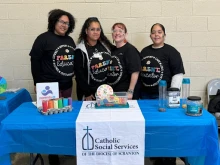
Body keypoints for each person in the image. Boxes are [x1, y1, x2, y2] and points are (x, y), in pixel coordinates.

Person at [29, 9, 76, 165]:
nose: (64, 25)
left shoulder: (70, 40)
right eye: (61, 22)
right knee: (51, 123)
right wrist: (37, 83)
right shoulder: (43, 39)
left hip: (67, 86)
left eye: (67, 23)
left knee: (65, 119)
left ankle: (63, 148)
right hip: (49, 89)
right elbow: (34, 62)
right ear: (54, 21)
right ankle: (52, 154)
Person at [140, 23, 186, 165]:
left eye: (159, 32)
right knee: (150, 128)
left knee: (165, 129)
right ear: (150, 35)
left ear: (164, 35)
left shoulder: (172, 52)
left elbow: (178, 75)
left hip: (163, 98)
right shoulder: (144, 51)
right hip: (146, 97)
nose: (156, 35)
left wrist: (172, 95)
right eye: (154, 32)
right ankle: (155, 154)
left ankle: (168, 158)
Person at [74, 17, 113, 101]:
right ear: (86, 31)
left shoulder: (105, 45)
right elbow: (79, 75)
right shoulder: (80, 50)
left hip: (106, 92)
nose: (95, 32)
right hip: (90, 95)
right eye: (92, 29)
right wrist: (87, 93)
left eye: (98, 29)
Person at [107, 22, 141, 100]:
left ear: (125, 34)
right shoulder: (112, 50)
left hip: (125, 94)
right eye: (114, 31)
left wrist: (130, 91)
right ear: (112, 35)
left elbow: (135, 72)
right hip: (113, 93)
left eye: (120, 31)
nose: (117, 33)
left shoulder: (130, 50)